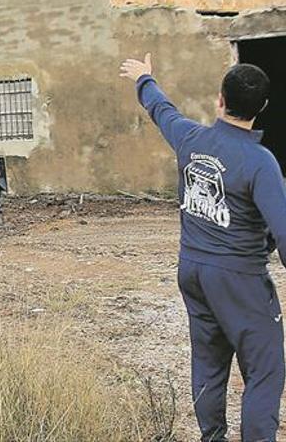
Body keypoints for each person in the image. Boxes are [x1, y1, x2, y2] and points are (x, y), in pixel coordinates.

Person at [120, 54, 285, 441]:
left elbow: (161, 110)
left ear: (220, 101)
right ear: (261, 109)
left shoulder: (191, 138)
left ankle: (212, 436)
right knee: (266, 368)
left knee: (209, 364)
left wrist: (144, 77)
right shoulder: (261, 163)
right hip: (239, 279)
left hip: (192, 270)